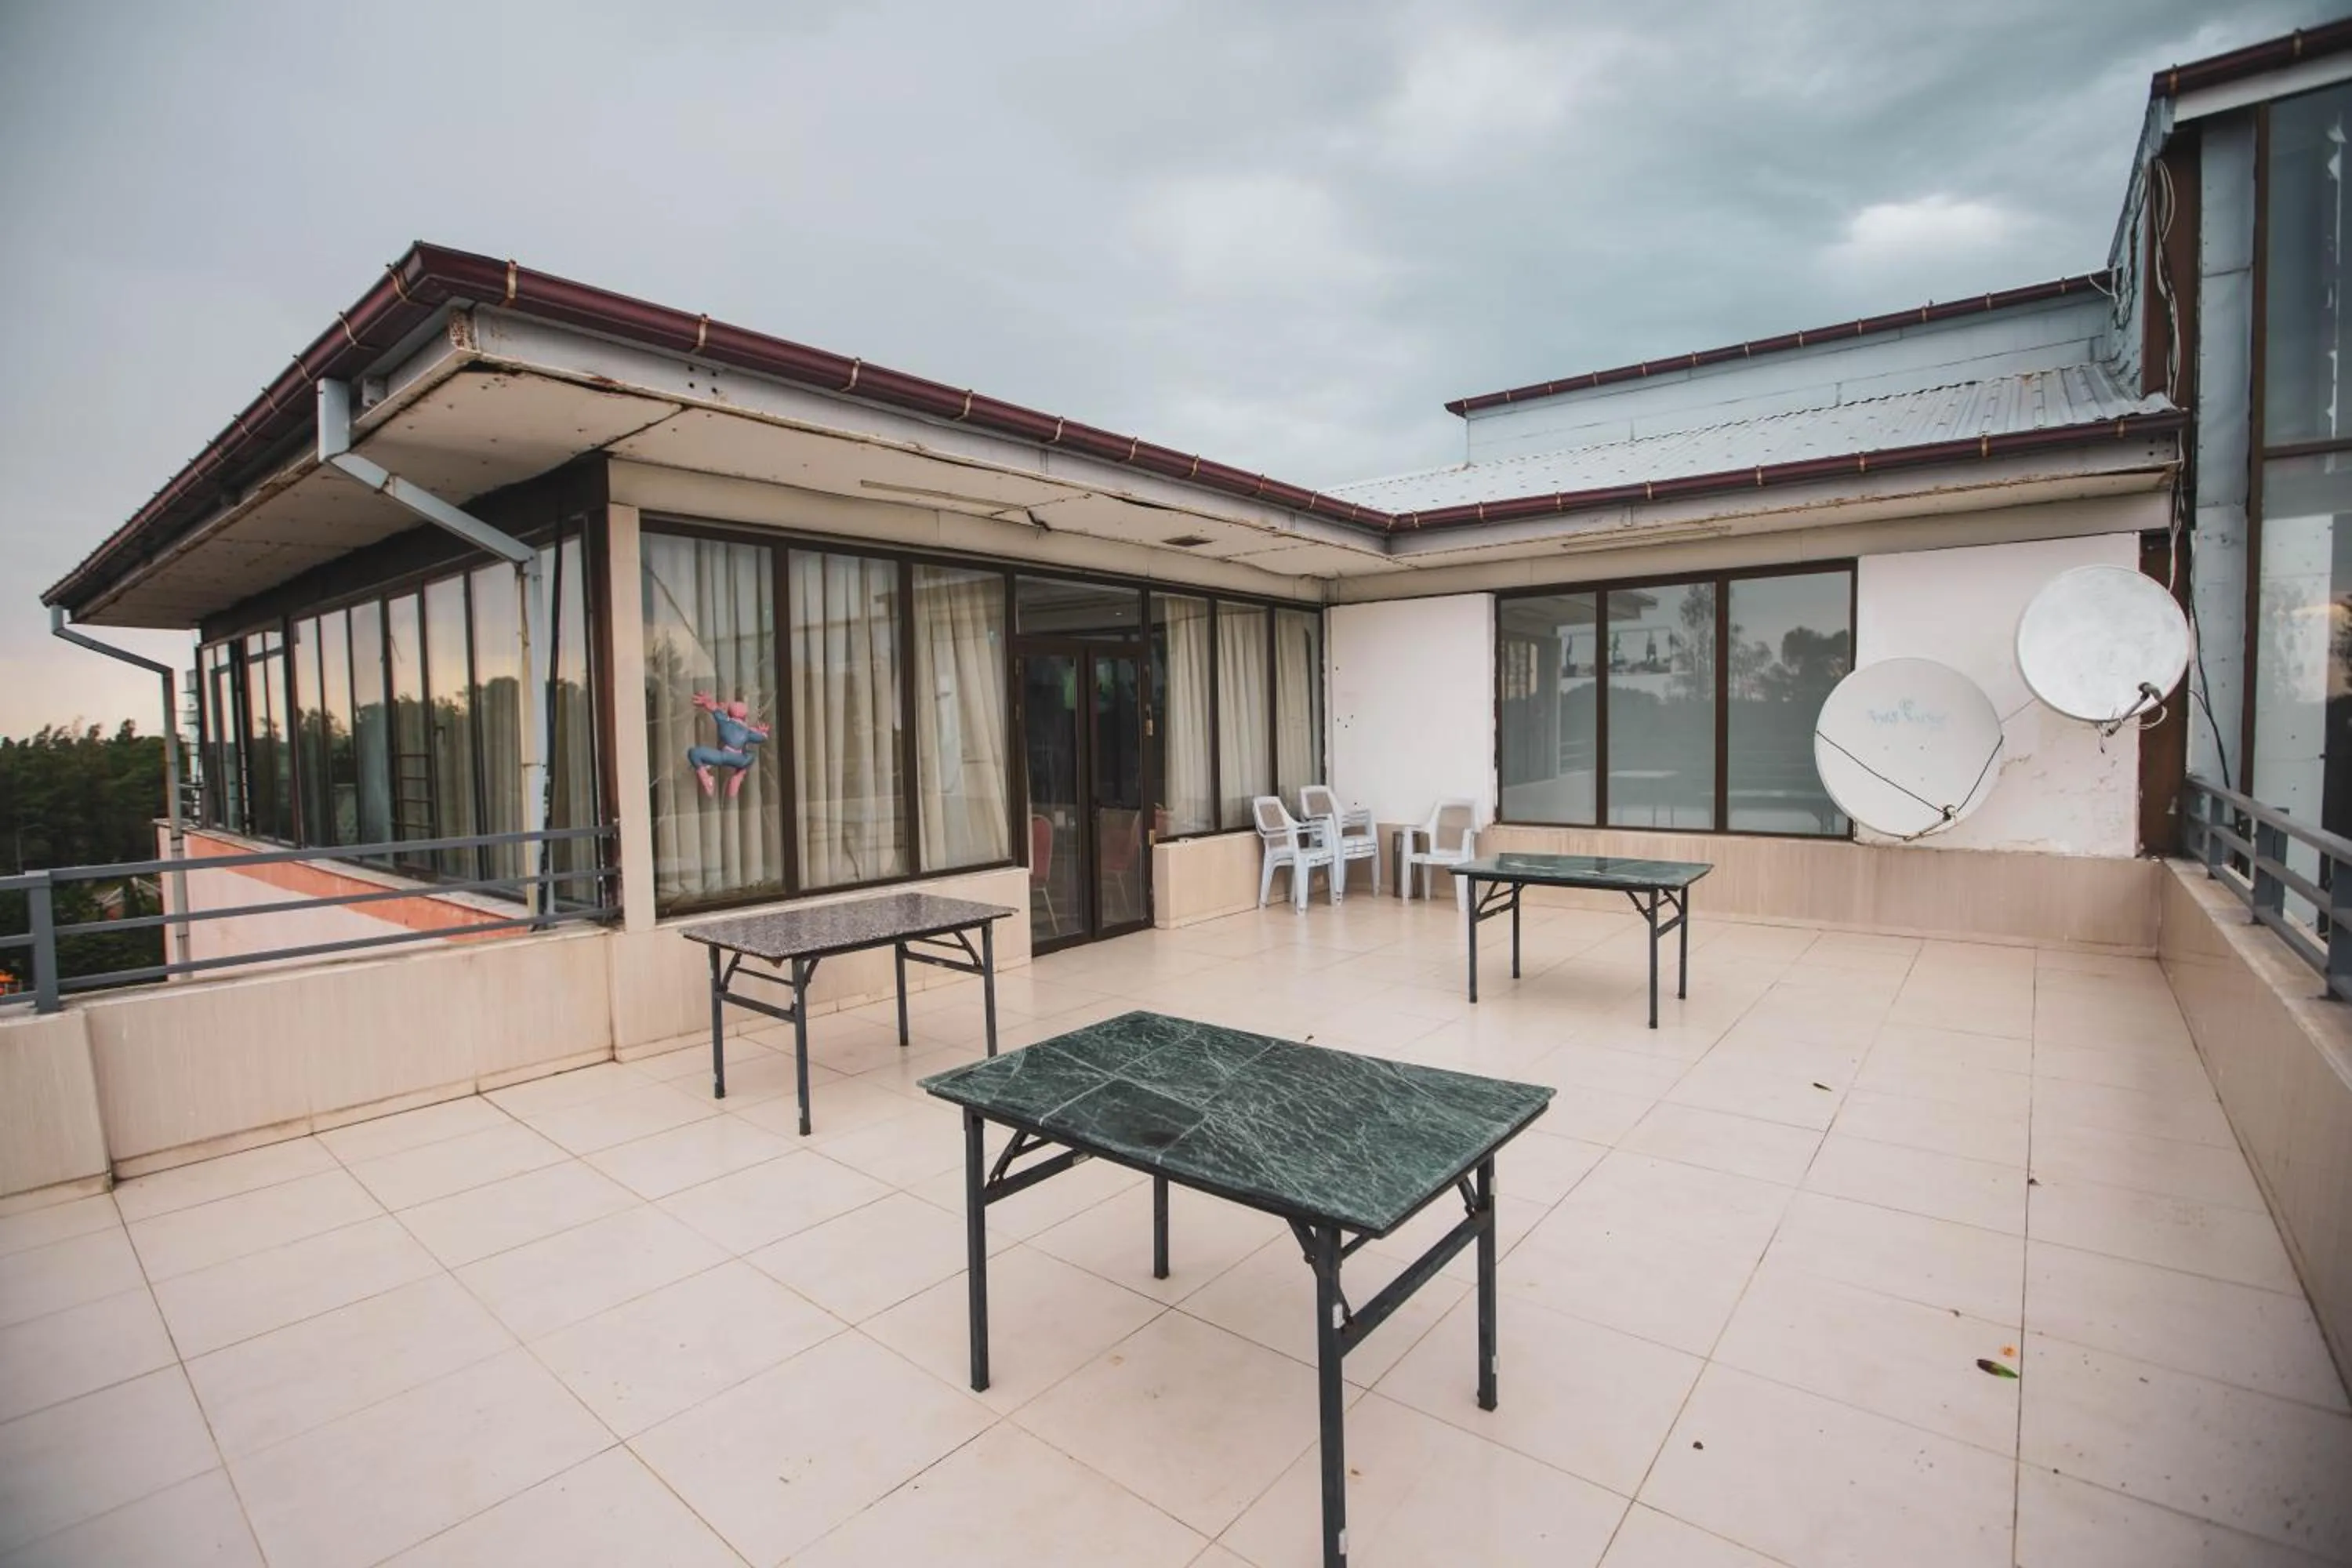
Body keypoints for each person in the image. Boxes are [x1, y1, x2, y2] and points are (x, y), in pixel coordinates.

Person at [687, 691, 770, 799]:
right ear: (745, 718)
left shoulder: (726, 722)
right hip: (738, 759)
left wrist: (708, 703)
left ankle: (705, 776)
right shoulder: (746, 731)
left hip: (723, 756)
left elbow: (714, 709)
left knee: (694, 753)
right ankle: (738, 776)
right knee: (752, 755)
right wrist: (763, 733)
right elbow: (760, 738)